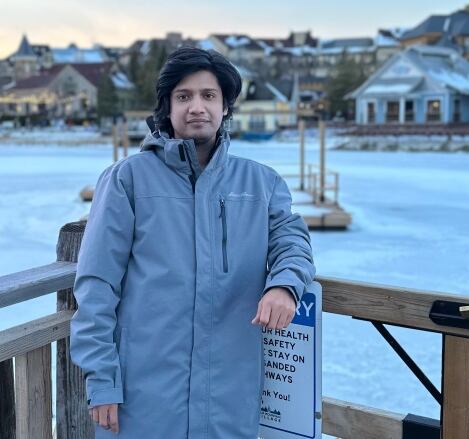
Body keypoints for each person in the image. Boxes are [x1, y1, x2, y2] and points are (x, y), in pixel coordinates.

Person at [70, 46, 315, 438]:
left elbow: (292, 242)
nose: (196, 107)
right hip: (144, 394)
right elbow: (96, 285)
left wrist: (285, 286)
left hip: (229, 396)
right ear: (167, 106)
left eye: (209, 95)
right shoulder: (127, 181)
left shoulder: (261, 183)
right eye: (184, 97)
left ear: (225, 107)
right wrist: (102, 381)